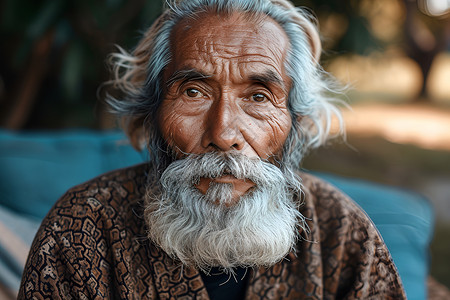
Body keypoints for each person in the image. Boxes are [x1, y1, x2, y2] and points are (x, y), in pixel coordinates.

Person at [19, 0, 406, 299]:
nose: (223, 133)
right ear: (150, 112)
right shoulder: (82, 227)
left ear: (295, 121)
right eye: (193, 91)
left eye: (258, 96)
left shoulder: (341, 233)